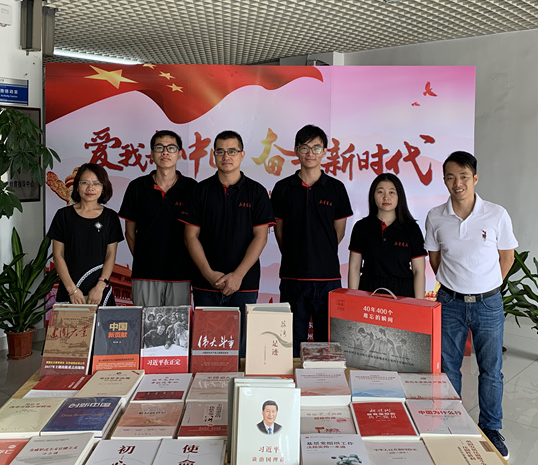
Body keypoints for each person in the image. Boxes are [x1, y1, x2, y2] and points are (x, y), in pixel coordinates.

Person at [424, 151, 517, 460]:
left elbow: (507, 257)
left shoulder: (496, 214)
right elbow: (435, 259)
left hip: (488, 304)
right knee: (448, 367)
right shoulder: (436, 216)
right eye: (451, 177)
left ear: (475, 178)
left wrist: (486, 286)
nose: (457, 183)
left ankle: (490, 428)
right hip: (449, 302)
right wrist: (456, 284)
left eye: (464, 176)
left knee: (491, 370)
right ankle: (450, 422)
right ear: (444, 181)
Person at [181, 130, 275, 354]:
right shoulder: (199, 191)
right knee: (207, 350)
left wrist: (238, 275)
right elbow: (190, 236)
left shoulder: (256, 192)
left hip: (244, 283)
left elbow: (261, 237)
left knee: (240, 350)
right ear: (213, 155)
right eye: (220, 151)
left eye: (232, 151)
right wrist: (208, 273)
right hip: (205, 283)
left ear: (242, 154)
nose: (226, 156)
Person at [271, 124, 352, 352]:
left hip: (328, 279)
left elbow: (338, 232)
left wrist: (320, 252)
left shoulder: (336, 188)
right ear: (296, 150)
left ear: (324, 151)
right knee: (291, 344)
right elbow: (279, 231)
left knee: (327, 345)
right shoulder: (283, 188)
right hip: (293, 278)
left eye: (316, 148)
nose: (310, 153)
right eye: (305, 147)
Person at [118, 130, 197, 307]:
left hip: (180, 274)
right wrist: (144, 258)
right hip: (145, 274)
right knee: (145, 322)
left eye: (171, 148)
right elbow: (129, 232)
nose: (165, 152)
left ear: (180, 153)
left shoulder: (192, 189)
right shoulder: (137, 187)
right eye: (159, 147)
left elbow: (197, 233)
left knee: (176, 324)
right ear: (152, 153)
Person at [47, 163, 124, 306]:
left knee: (103, 321)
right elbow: (58, 255)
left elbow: (110, 255)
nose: (90, 188)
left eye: (96, 183)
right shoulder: (63, 215)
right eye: (85, 183)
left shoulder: (110, 217)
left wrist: (100, 287)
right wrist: (72, 290)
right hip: (69, 290)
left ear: (103, 187)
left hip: (100, 292)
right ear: (77, 186)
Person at [348, 173, 427, 299]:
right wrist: (353, 299)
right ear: (373, 195)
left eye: (392, 192)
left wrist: (419, 304)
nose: (386, 197)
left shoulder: (412, 229)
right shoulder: (361, 227)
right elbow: (354, 267)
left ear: (399, 196)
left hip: (403, 295)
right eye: (380, 192)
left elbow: (419, 271)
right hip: (368, 294)